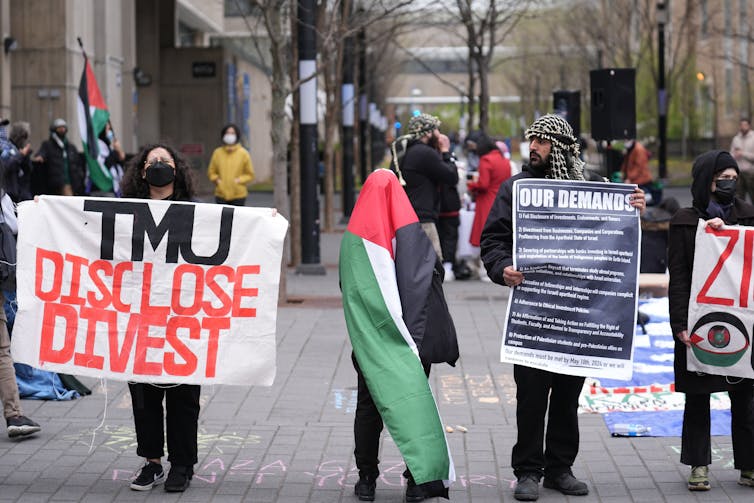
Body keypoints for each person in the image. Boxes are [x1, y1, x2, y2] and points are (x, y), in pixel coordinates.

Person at [480, 114, 645, 501]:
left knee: (568, 396)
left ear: (563, 148)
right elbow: (493, 240)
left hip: (578, 317)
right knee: (532, 396)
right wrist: (500, 267)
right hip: (534, 315)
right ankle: (527, 471)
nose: (533, 147)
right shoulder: (516, 189)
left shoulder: (592, 191)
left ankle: (559, 468)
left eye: (542, 141)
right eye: (531, 140)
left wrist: (633, 207)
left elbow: (618, 238)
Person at [667, 150, 754, 491]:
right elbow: (678, 276)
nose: (729, 185)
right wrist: (679, 325)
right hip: (699, 320)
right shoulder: (686, 221)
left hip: (743, 321)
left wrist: (729, 231)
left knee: (746, 396)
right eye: (722, 180)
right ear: (707, 181)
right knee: (699, 396)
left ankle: (749, 465)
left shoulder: (748, 216)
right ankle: (698, 465)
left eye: (734, 178)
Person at [120, 143, 199, 492]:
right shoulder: (125, 215)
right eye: (152, 161)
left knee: (184, 395)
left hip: (183, 317)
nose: (159, 166)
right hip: (140, 317)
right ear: (141, 171)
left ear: (177, 170)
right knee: (144, 394)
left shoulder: (195, 214)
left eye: (165, 161)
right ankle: (152, 461)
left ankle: (182, 464)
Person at [391, 113, 458, 260]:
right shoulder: (424, 153)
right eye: (436, 130)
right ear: (428, 132)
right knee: (433, 263)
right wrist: (446, 151)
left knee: (414, 264)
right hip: (423, 219)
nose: (439, 134)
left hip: (407, 215)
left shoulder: (407, 150)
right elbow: (451, 177)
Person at [467, 132, 510, 281]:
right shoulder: (504, 160)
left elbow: (483, 184)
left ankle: (483, 269)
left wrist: (471, 185)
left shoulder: (485, 160)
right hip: (502, 199)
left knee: (483, 234)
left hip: (486, 201)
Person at [33, 118, 86, 196]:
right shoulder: (48, 145)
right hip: (55, 184)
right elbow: (41, 154)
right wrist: (40, 157)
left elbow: (77, 164)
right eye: (59, 128)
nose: (62, 130)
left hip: (71, 184)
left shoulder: (71, 147)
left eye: (63, 128)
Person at [207, 124, 254, 206]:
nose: (230, 135)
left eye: (232, 133)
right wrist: (217, 180)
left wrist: (239, 180)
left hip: (238, 195)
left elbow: (250, 174)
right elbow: (211, 172)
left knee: (237, 218)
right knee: (222, 218)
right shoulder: (217, 153)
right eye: (227, 133)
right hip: (221, 194)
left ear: (237, 135)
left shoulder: (243, 154)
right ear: (223, 135)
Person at [2, 121, 35, 202]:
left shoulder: (20, 149)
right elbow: (6, 166)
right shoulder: (7, 148)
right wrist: (20, 155)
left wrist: (26, 156)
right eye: (23, 137)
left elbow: (28, 170)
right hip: (10, 194)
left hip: (23, 194)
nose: (25, 140)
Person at [621, 139, 661, 205]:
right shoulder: (631, 149)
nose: (625, 142)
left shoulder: (638, 149)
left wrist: (629, 178)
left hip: (642, 179)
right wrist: (622, 172)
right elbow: (626, 163)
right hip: (637, 178)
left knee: (642, 195)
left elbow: (638, 167)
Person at [93, 120, 126, 197]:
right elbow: (105, 164)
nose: (110, 131)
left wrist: (119, 150)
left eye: (110, 128)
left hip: (113, 187)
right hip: (102, 188)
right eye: (107, 129)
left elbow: (120, 161)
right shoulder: (98, 145)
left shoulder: (109, 146)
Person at [731, 118, 754, 203]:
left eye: (745, 125)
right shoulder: (736, 138)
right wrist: (734, 155)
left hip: (751, 173)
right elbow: (731, 154)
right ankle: (742, 216)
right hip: (738, 173)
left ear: (749, 126)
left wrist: (743, 154)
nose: (743, 127)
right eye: (741, 125)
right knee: (739, 198)